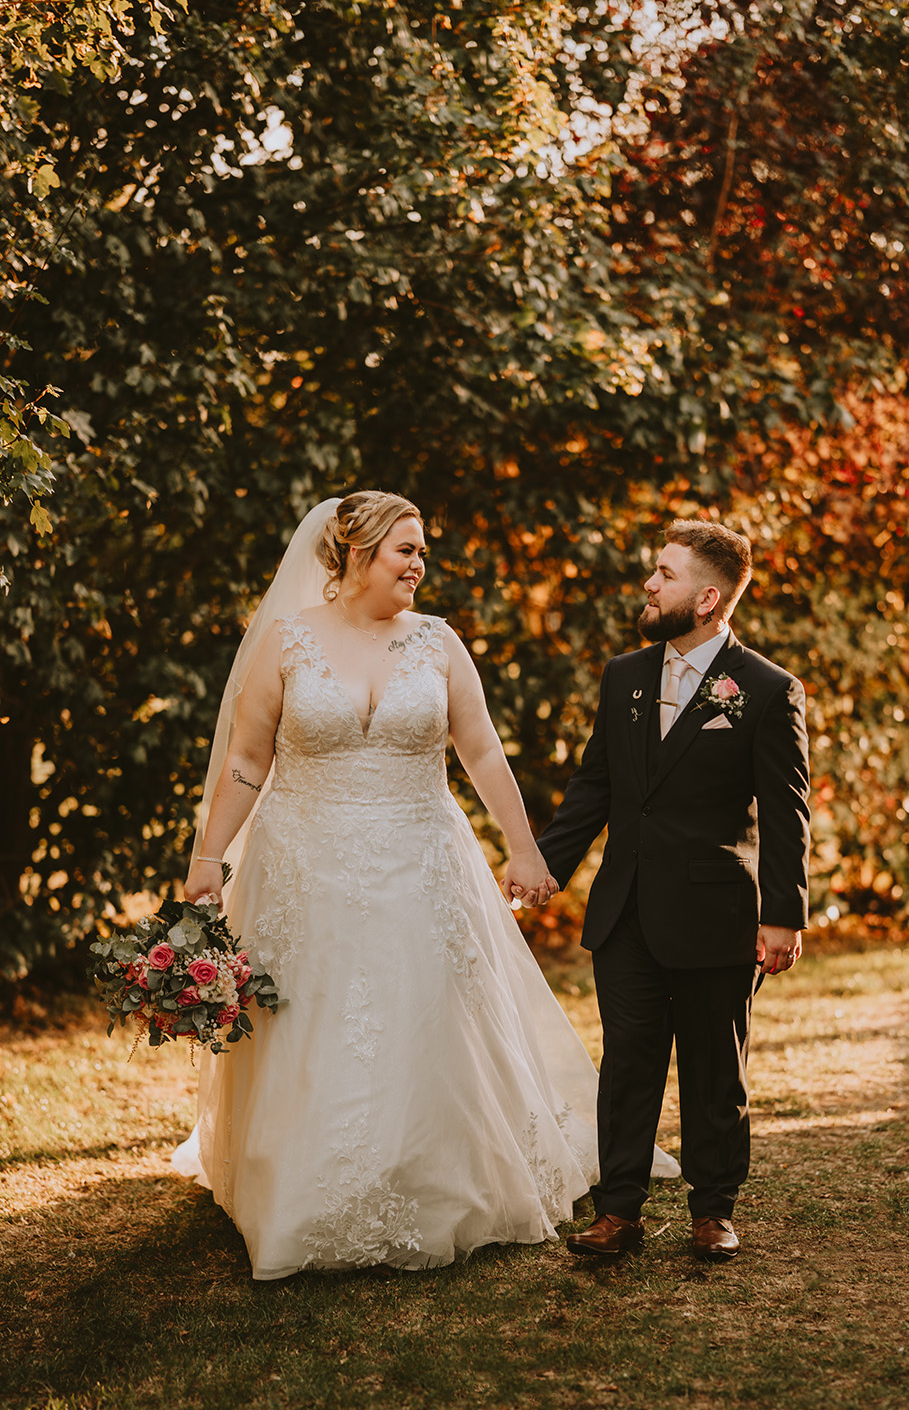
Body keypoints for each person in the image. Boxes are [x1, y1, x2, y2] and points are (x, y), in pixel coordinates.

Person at [172, 490, 678, 1279]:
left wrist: (522, 848)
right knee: (314, 1022)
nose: (419, 564)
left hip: (422, 858)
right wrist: (209, 857)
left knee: (427, 1017)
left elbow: (480, 751)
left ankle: (439, 1179)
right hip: (307, 863)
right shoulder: (285, 639)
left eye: (421, 550)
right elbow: (246, 761)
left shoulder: (438, 642)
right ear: (355, 554)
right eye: (404, 550)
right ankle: (301, 1192)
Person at [526, 519, 810, 1262]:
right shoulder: (625, 674)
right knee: (627, 1063)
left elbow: (787, 812)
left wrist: (784, 913)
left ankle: (713, 1208)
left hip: (718, 913)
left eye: (665, 573)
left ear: (709, 598)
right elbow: (596, 786)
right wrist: (543, 866)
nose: (649, 584)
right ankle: (618, 1210)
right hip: (625, 911)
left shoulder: (767, 690)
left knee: (717, 1067)